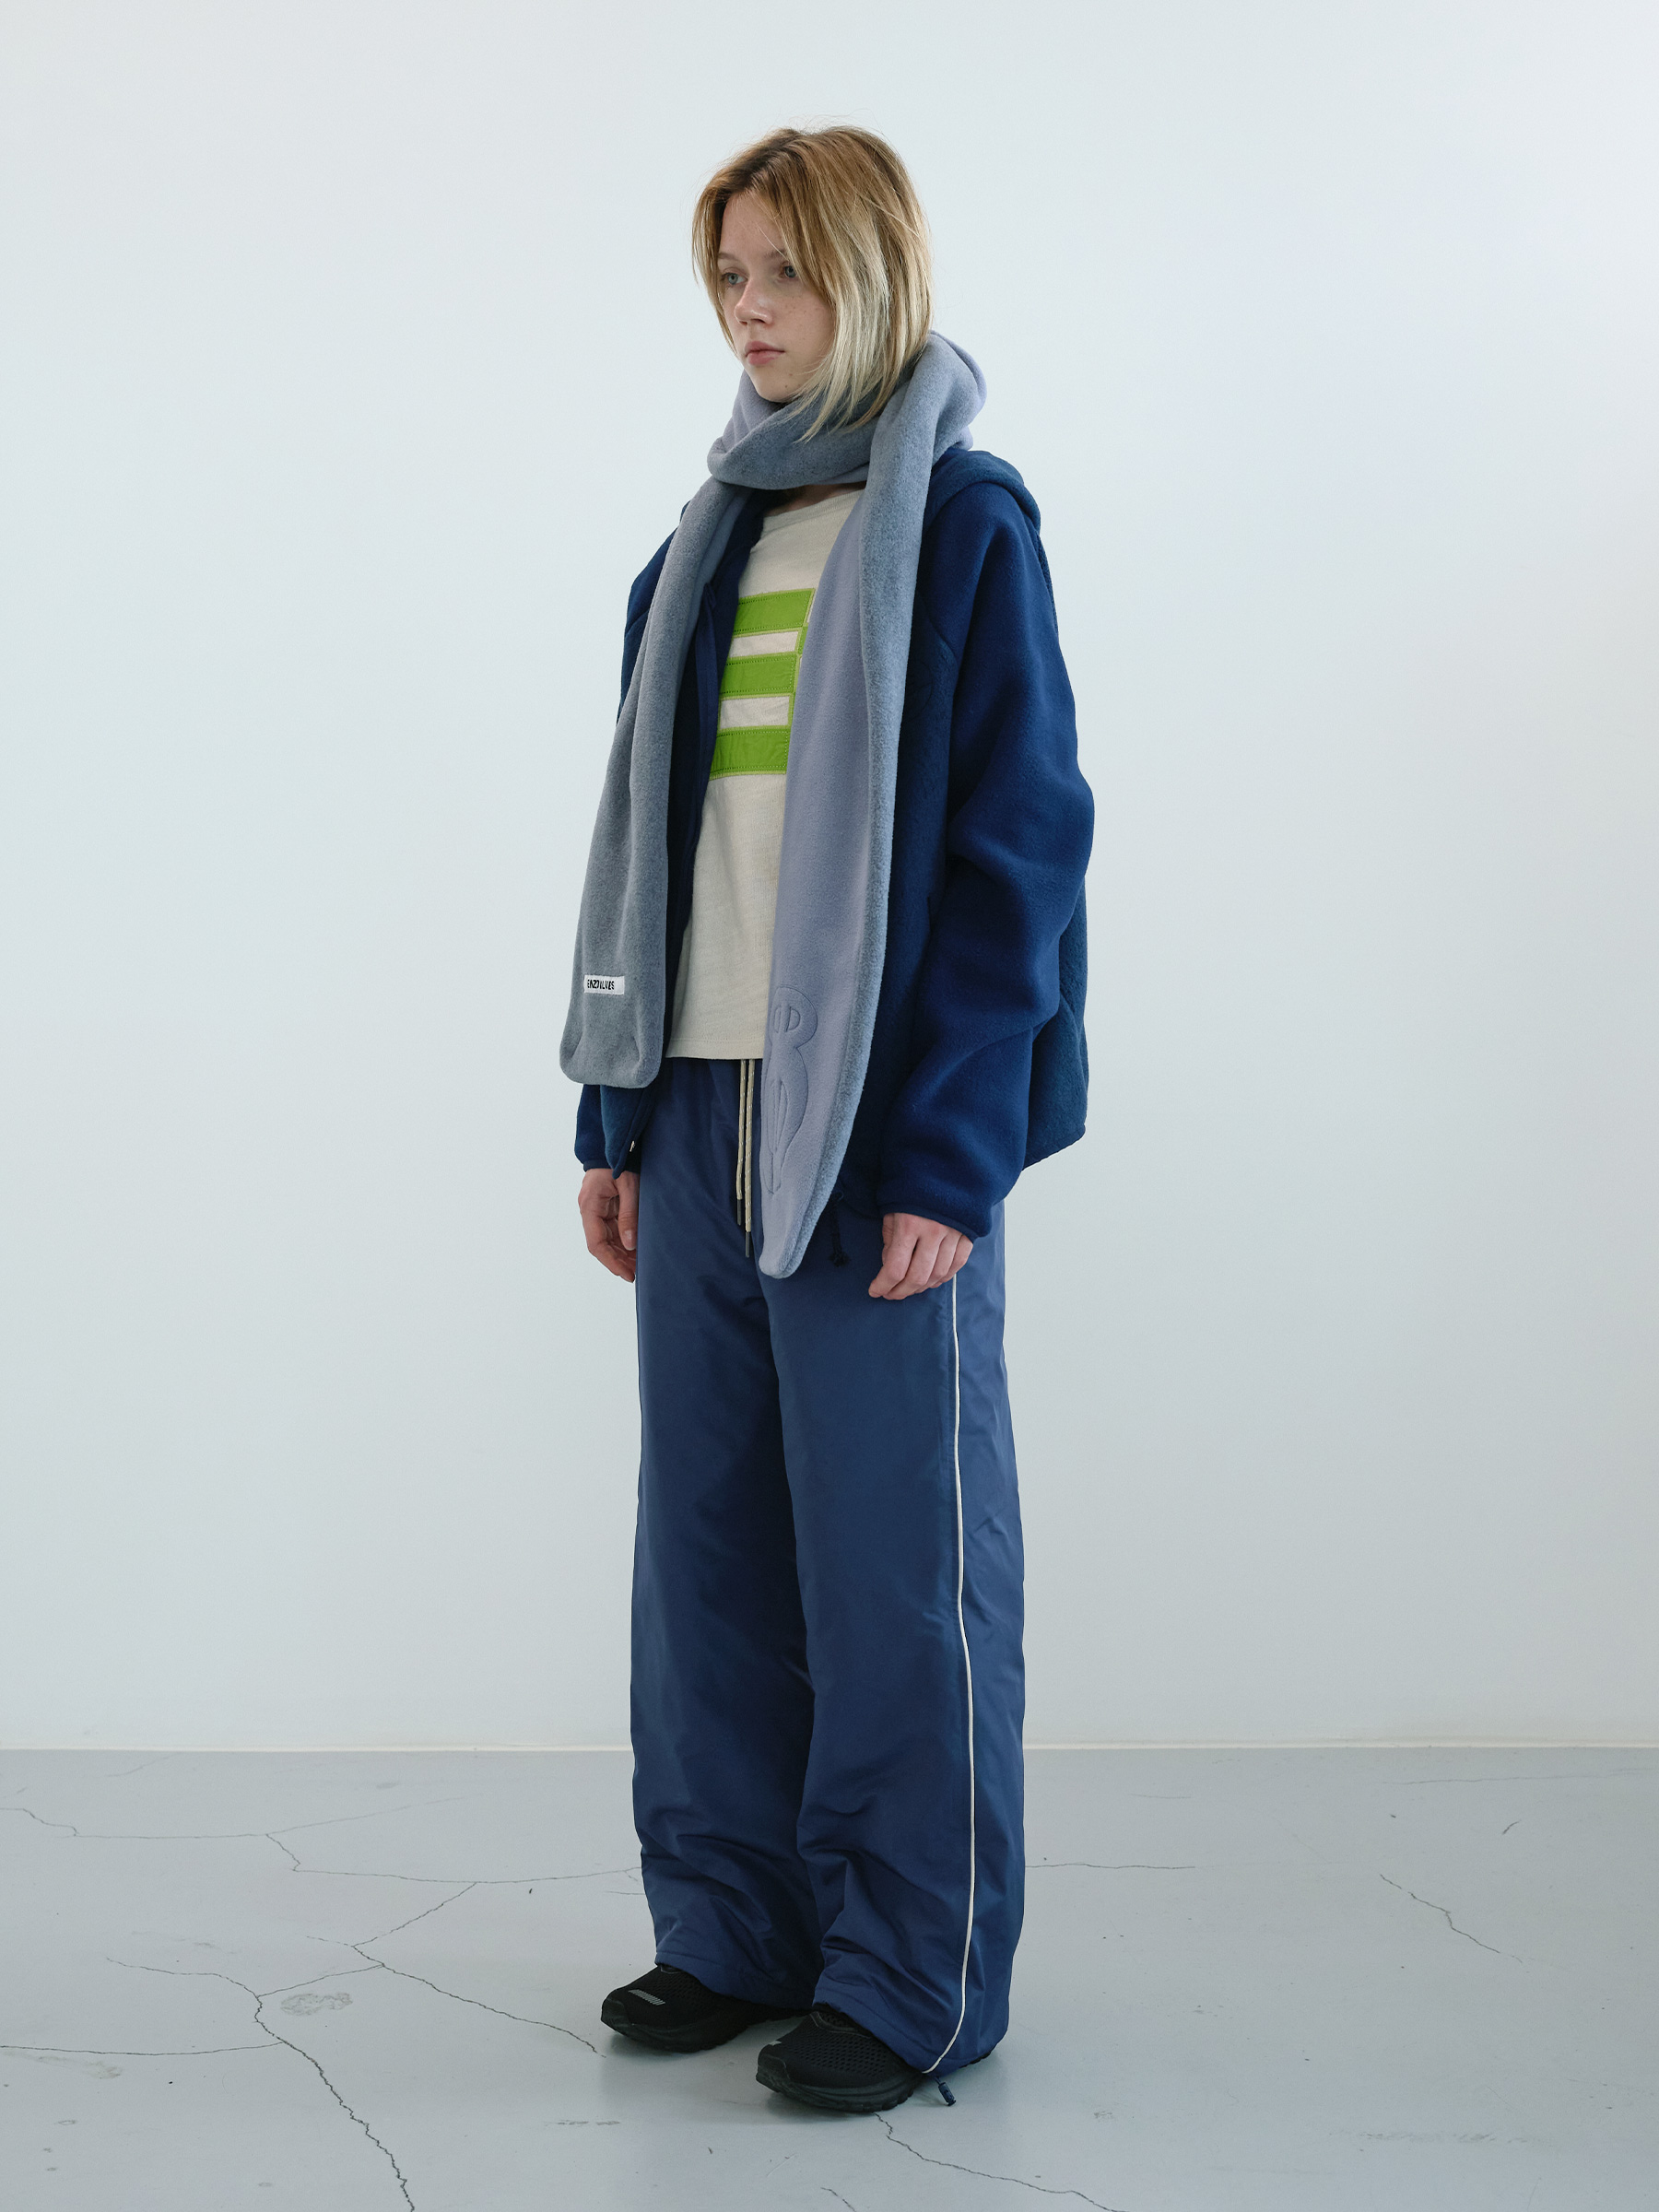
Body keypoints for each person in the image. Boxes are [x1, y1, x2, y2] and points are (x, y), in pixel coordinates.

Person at [563, 124, 1092, 2116]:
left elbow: (1016, 860)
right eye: (729, 275)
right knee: (706, 1552)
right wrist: (616, 1110)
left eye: (783, 270)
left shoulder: (962, 527)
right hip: (699, 1107)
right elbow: (658, 864)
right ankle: (735, 1928)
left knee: (896, 1569)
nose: (752, 312)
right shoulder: (696, 548)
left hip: (870, 1128)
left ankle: (912, 1974)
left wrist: (953, 1155)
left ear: (869, 271)